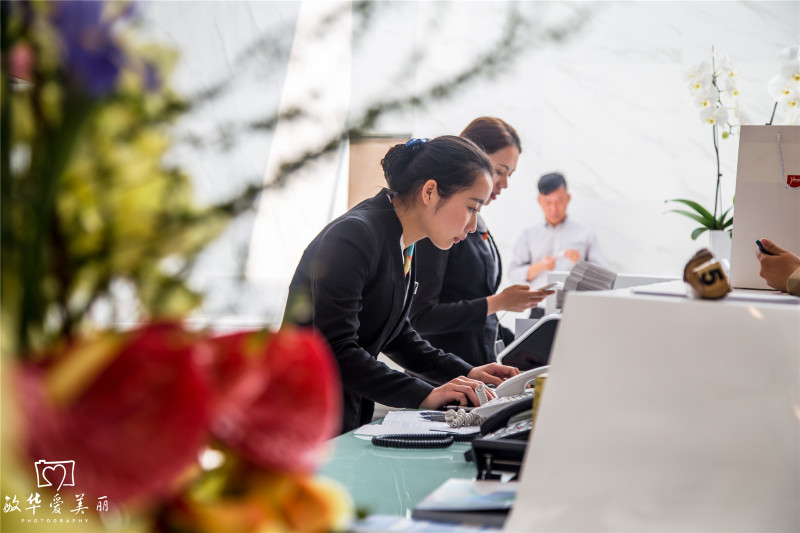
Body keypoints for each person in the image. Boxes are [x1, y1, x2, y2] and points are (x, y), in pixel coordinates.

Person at [283, 135, 521, 434]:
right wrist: (424, 394)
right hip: (301, 415)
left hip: (342, 410)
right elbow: (335, 348)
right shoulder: (354, 236)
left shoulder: (403, 241)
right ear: (430, 191)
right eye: (472, 207)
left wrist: (467, 372)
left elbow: (397, 335)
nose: (473, 225)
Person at [409, 117, 553, 367]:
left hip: (478, 367)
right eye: (500, 171)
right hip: (446, 373)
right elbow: (420, 317)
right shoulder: (442, 224)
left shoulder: (475, 224)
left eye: (511, 174)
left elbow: (482, 316)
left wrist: (519, 347)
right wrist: (499, 302)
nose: (505, 184)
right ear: (472, 159)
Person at [508, 172, 606, 317]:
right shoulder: (528, 235)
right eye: (548, 202)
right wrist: (540, 266)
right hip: (539, 310)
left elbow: (603, 278)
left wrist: (580, 264)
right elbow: (513, 275)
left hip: (577, 310)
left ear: (568, 198)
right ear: (539, 201)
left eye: (559, 201)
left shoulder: (586, 234)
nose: (554, 208)